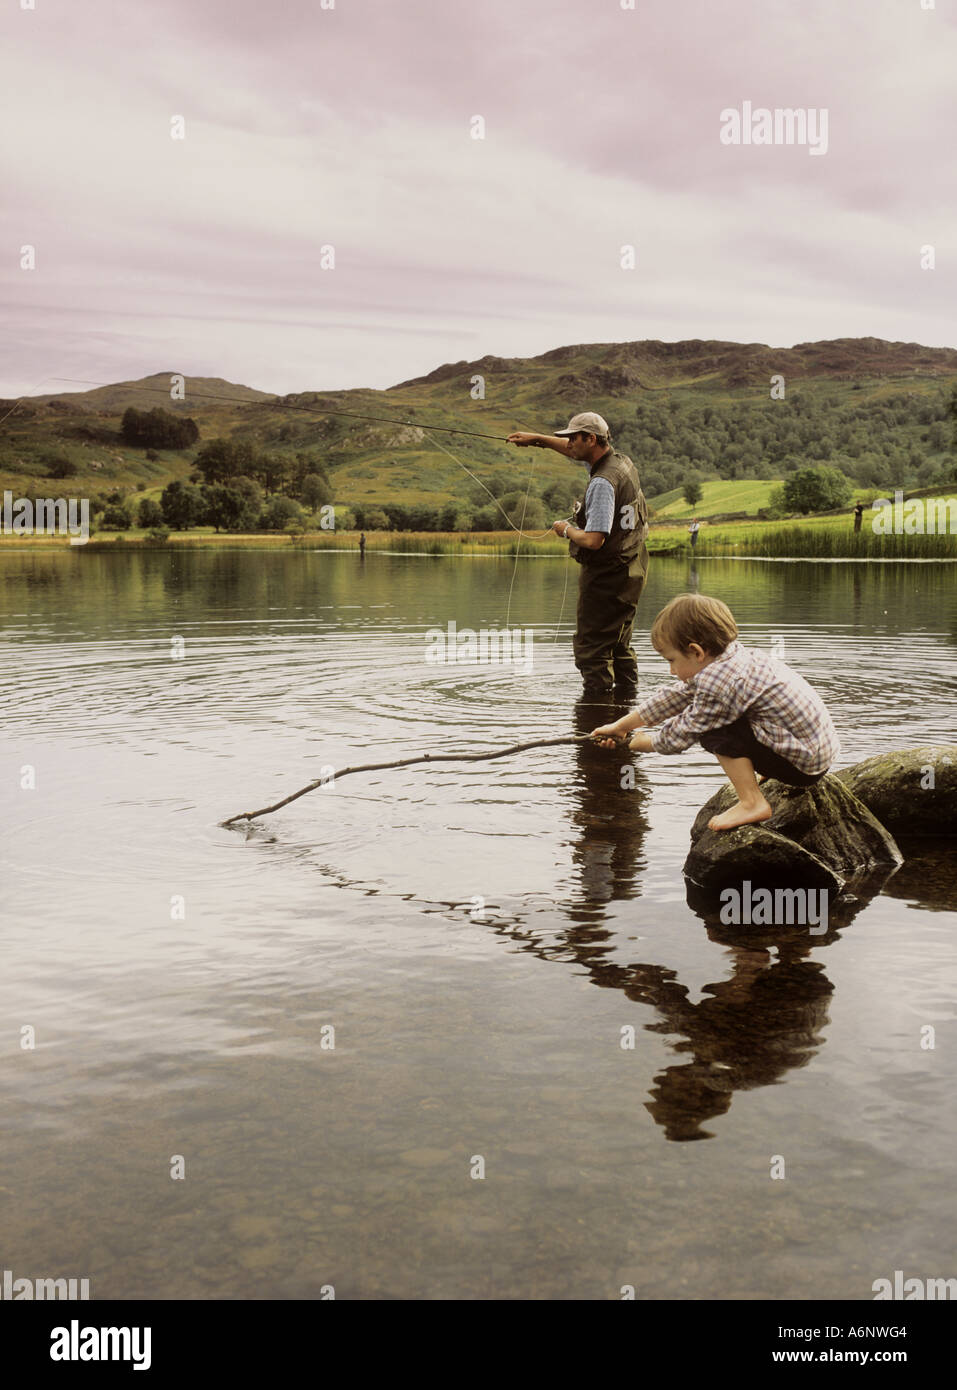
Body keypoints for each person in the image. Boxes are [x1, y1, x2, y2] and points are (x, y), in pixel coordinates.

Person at [591, 593, 840, 831]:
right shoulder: (730, 657)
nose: (671, 670)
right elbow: (675, 696)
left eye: (671, 660)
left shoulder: (719, 684)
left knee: (714, 731)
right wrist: (623, 726)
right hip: (816, 753)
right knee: (729, 717)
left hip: (803, 767)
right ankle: (766, 769)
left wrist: (647, 743)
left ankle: (752, 802)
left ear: (697, 652)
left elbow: (685, 731)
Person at [507, 412, 649, 698]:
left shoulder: (601, 483)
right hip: (633, 565)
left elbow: (594, 540)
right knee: (619, 642)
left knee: (593, 649)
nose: (569, 444)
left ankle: (596, 719)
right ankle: (627, 708)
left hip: (608, 575)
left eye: (574, 438)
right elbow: (574, 453)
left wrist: (565, 530)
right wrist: (538, 440)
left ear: (591, 439)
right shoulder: (621, 463)